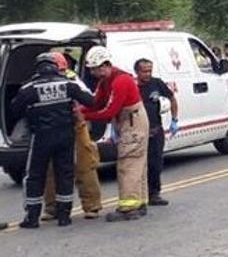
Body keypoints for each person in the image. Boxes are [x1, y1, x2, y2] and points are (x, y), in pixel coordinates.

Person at [11, 53, 96, 228]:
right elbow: (90, 100)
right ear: (55, 67)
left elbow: (14, 109)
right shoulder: (68, 84)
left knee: (35, 176)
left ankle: (32, 218)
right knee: (65, 174)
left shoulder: (29, 88)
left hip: (41, 138)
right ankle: (65, 216)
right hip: (66, 136)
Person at [82, 46, 150, 222]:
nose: (93, 73)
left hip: (132, 122)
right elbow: (97, 102)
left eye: (95, 69)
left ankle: (128, 207)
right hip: (129, 121)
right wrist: (80, 109)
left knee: (128, 163)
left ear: (105, 65)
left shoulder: (121, 81)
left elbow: (108, 111)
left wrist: (83, 115)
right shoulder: (106, 81)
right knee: (136, 163)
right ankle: (140, 202)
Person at [41, 52, 103, 221]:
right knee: (51, 169)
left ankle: (92, 205)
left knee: (85, 165)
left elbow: (91, 99)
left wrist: (79, 111)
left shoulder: (72, 80)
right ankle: (52, 207)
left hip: (75, 125)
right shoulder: (38, 81)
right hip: (51, 128)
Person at [135, 58, 178, 207]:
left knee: (156, 163)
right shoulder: (133, 87)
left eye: (149, 71)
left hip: (155, 130)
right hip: (139, 131)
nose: (147, 74)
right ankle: (140, 195)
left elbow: (172, 98)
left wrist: (174, 119)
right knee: (139, 165)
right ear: (137, 72)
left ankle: (154, 194)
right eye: (144, 71)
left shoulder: (157, 83)